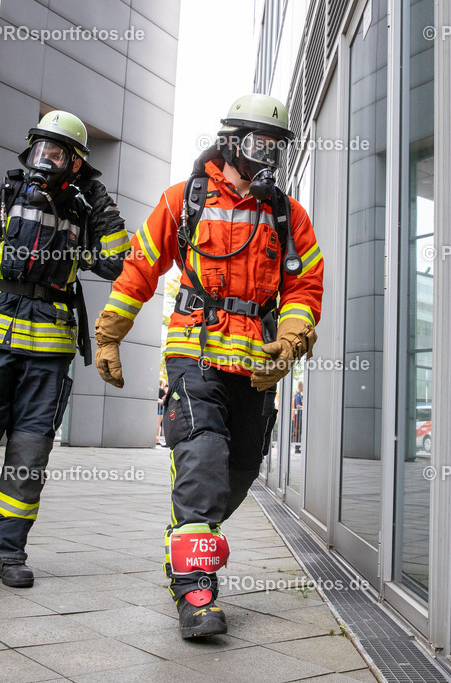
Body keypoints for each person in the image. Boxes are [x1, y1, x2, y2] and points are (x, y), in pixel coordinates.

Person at [93, 94, 324, 637]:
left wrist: (290, 339)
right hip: (193, 354)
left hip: (254, 368)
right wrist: (109, 336)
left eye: (274, 146)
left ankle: (185, 543)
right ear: (229, 142)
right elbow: (138, 269)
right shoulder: (184, 201)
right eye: (256, 143)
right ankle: (196, 590)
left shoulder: (288, 216)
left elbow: (304, 287)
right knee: (202, 456)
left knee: (237, 469)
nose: (264, 155)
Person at [0, 111, 129, 587]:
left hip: (48, 354)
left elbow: (116, 261)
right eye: (41, 149)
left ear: (75, 164)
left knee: (28, 457)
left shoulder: (85, 214)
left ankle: (8, 554)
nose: (46, 160)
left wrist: (101, 206)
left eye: (57, 153)